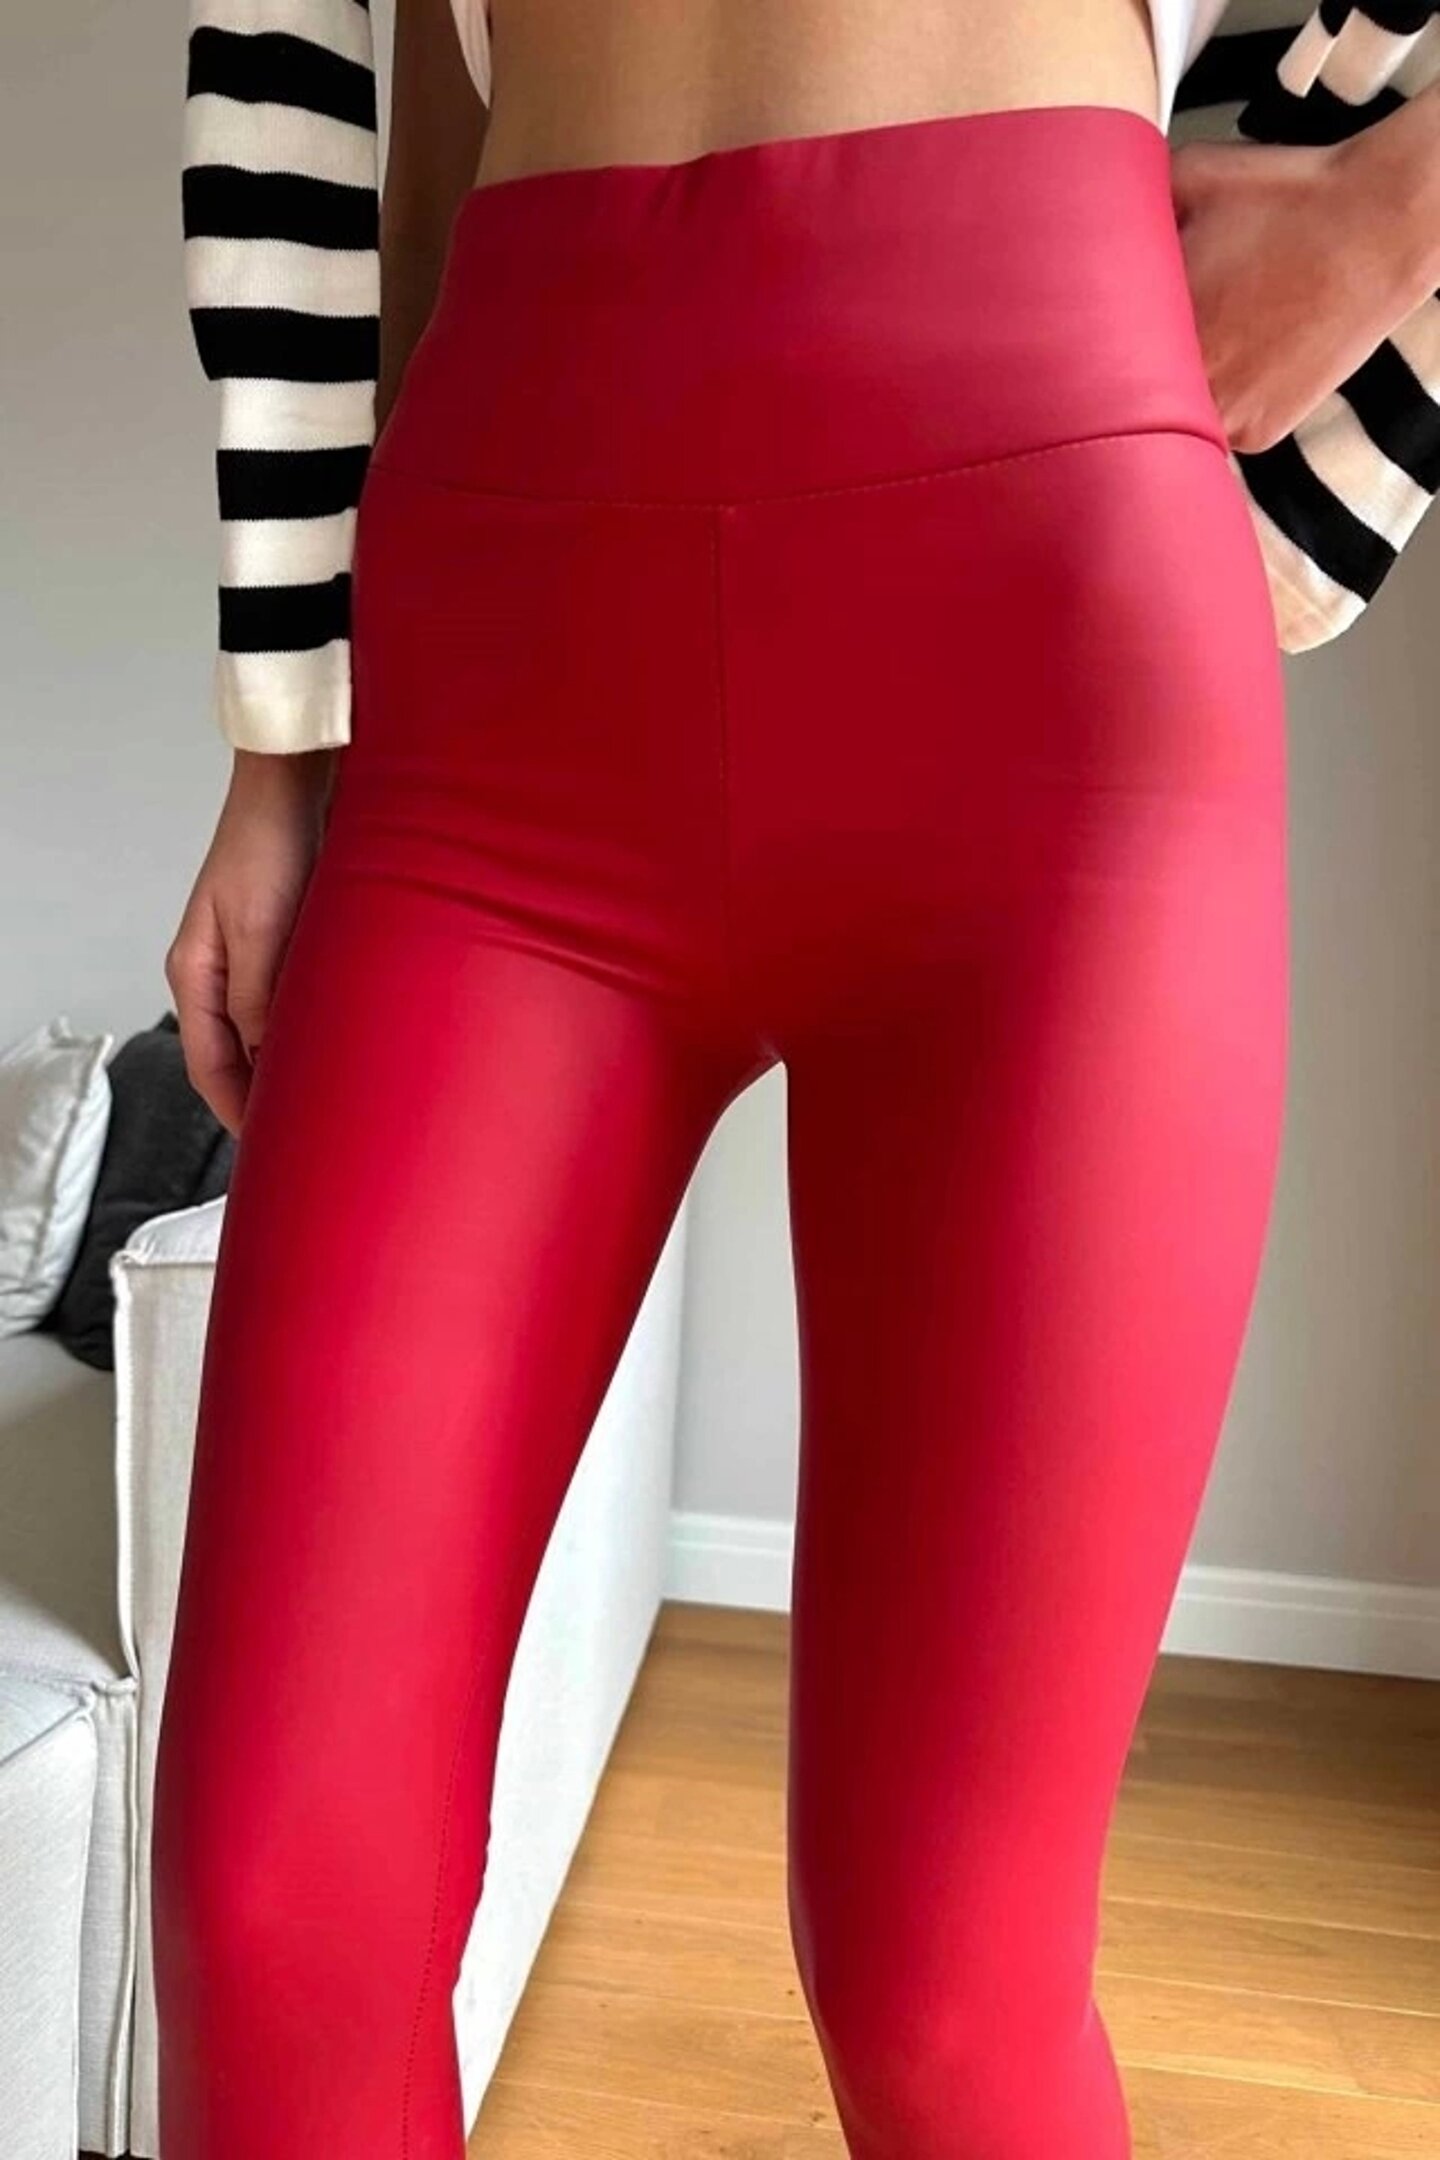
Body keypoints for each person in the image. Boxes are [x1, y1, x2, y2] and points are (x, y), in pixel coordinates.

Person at [153, 2, 1440, 2154]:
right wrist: (287, 748)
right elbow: (336, 92)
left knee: (944, 1979)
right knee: (273, 1914)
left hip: (1042, 627)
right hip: (495, 664)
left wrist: (1395, 216)